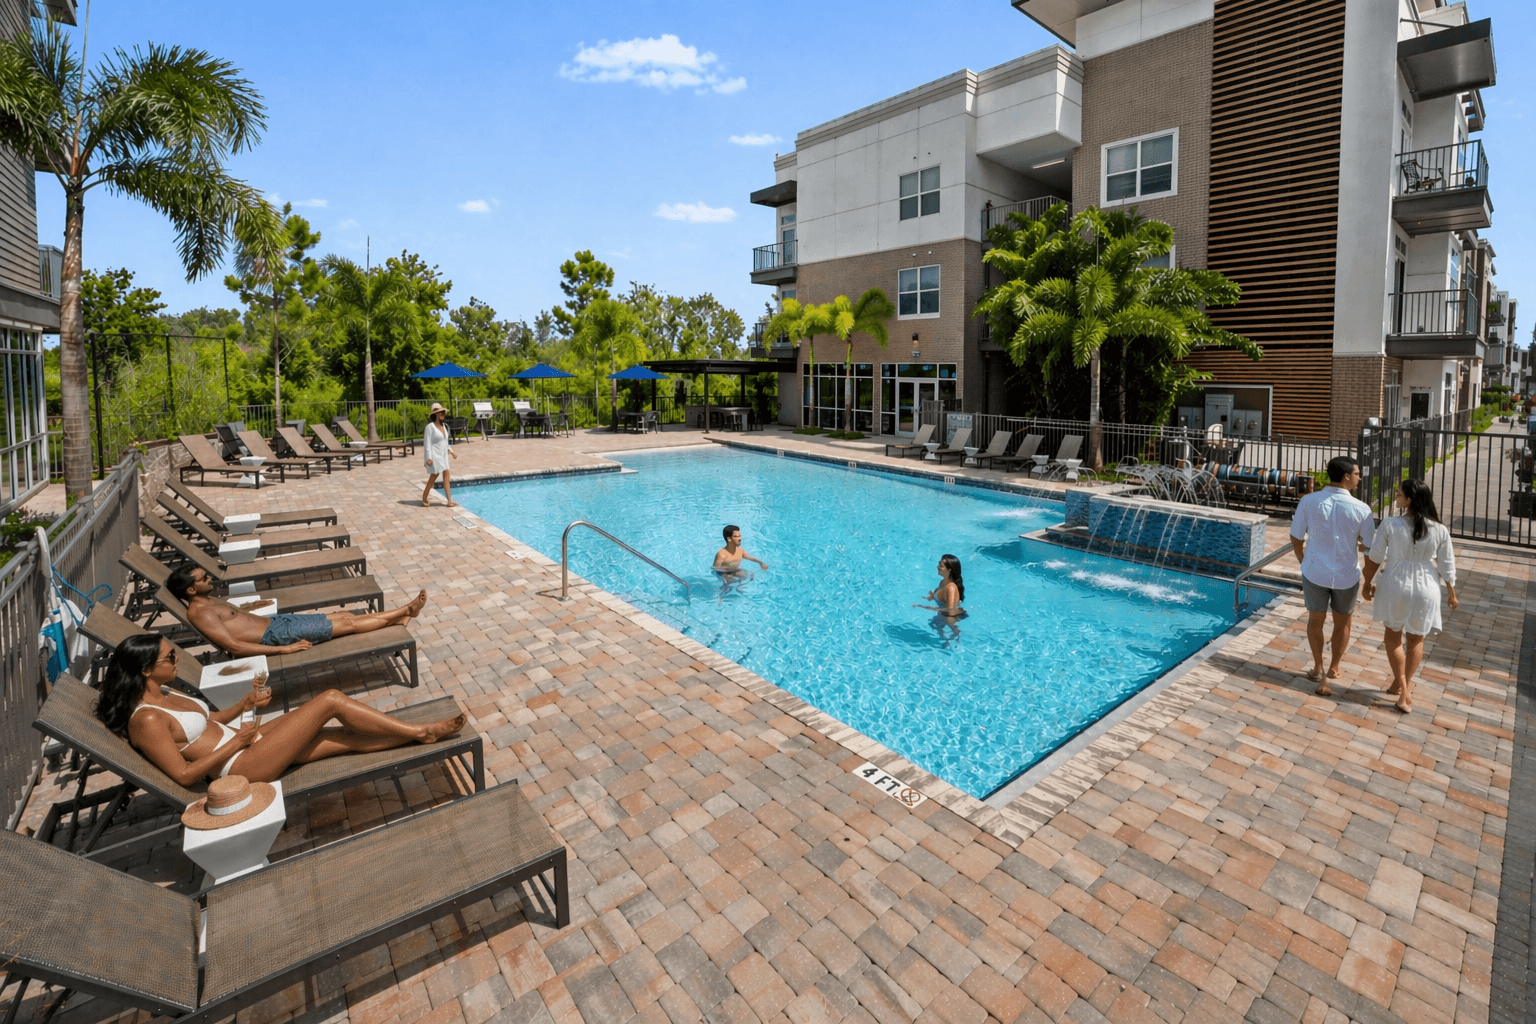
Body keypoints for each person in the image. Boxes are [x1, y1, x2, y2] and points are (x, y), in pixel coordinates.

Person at [95, 634, 464, 787]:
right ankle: (420, 732)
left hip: (248, 743)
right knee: (330, 699)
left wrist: (245, 705)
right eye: (169, 656)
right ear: (144, 670)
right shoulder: (146, 719)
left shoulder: (164, 689)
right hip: (243, 766)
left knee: (342, 738)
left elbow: (206, 723)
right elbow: (186, 774)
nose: (176, 658)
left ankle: (418, 736)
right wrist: (237, 741)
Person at [164, 563, 426, 657]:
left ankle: (398, 618)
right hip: (279, 636)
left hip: (279, 623)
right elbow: (235, 647)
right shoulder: (200, 613)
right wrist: (283, 649)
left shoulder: (206, 603)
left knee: (345, 617)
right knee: (349, 625)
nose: (209, 578)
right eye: (203, 579)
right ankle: (406, 610)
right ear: (190, 591)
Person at [1361, 479, 1457, 713]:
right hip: (1427, 585)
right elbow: (1447, 565)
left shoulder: (1391, 524)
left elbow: (1375, 557)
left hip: (1396, 581)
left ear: (1410, 499)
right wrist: (1451, 593)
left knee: (1393, 636)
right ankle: (1401, 685)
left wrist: (1367, 583)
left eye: (1399, 493)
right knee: (1416, 638)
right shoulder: (1440, 529)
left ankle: (1403, 690)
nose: (1396, 495)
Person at [1290, 455, 1376, 695]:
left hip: (1315, 571)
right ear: (1347, 476)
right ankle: (1334, 667)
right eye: (1358, 473)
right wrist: (1369, 581)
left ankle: (1318, 667)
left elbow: (1296, 536)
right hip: (1347, 575)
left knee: (1315, 621)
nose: (1360, 478)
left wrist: (1303, 560)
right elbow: (1369, 548)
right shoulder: (1362, 509)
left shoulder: (1308, 501)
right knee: (1343, 622)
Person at [914, 553, 966, 642]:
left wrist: (927, 607)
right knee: (933, 625)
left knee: (952, 638)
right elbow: (941, 596)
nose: (938, 567)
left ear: (949, 570)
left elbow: (951, 610)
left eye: (941, 566)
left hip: (950, 618)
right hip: (941, 614)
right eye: (939, 564)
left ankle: (954, 644)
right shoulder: (943, 582)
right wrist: (932, 596)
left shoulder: (951, 588)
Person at [422, 402, 457, 508]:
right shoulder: (430, 427)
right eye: (441, 413)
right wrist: (429, 458)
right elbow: (427, 443)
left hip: (444, 456)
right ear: (436, 414)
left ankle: (449, 500)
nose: (443, 415)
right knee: (434, 476)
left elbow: (445, 442)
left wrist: (451, 451)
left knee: (447, 475)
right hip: (435, 456)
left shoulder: (444, 426)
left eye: (443, 413)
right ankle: (424, 496)